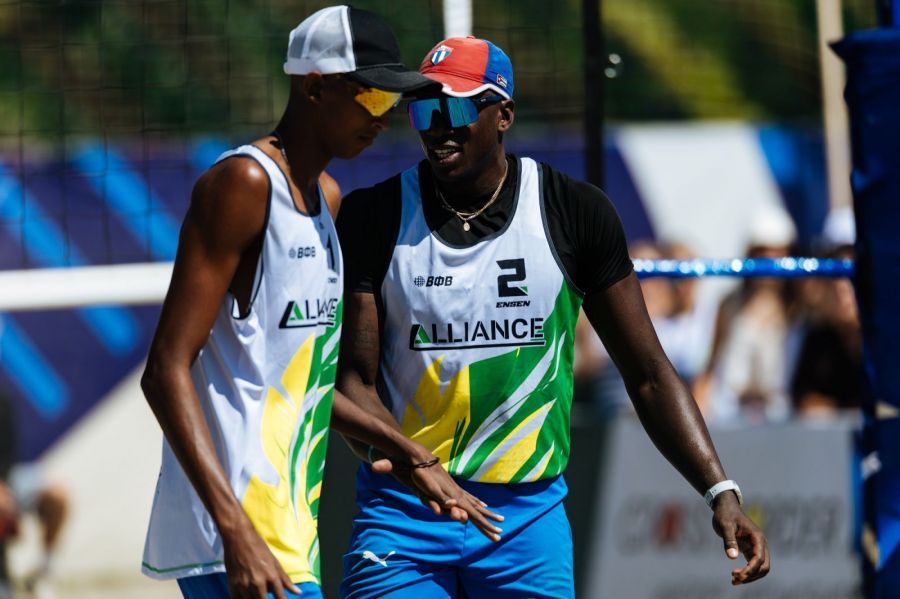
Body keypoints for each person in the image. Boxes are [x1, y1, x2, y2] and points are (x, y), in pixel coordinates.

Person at [335, 36, 770, 597]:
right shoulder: (374, 215)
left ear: (504, 114)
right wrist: (414, 462)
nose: (439, 127)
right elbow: (353, 382)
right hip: (405, 508)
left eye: (457, 109)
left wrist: (720, 491)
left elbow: (648, 373)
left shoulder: (573, 212)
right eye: (424, 110)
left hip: (525, 520)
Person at [139, 7, 495, 599]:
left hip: (289, 525)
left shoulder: (327, 198)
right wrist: (235, 530)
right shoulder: (244, 184)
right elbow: (164, 370)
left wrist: (407, 452)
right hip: (235, 532)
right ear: (314, 88)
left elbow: (300, 383)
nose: (384, 117)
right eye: (372, 97)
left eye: (391, 101)